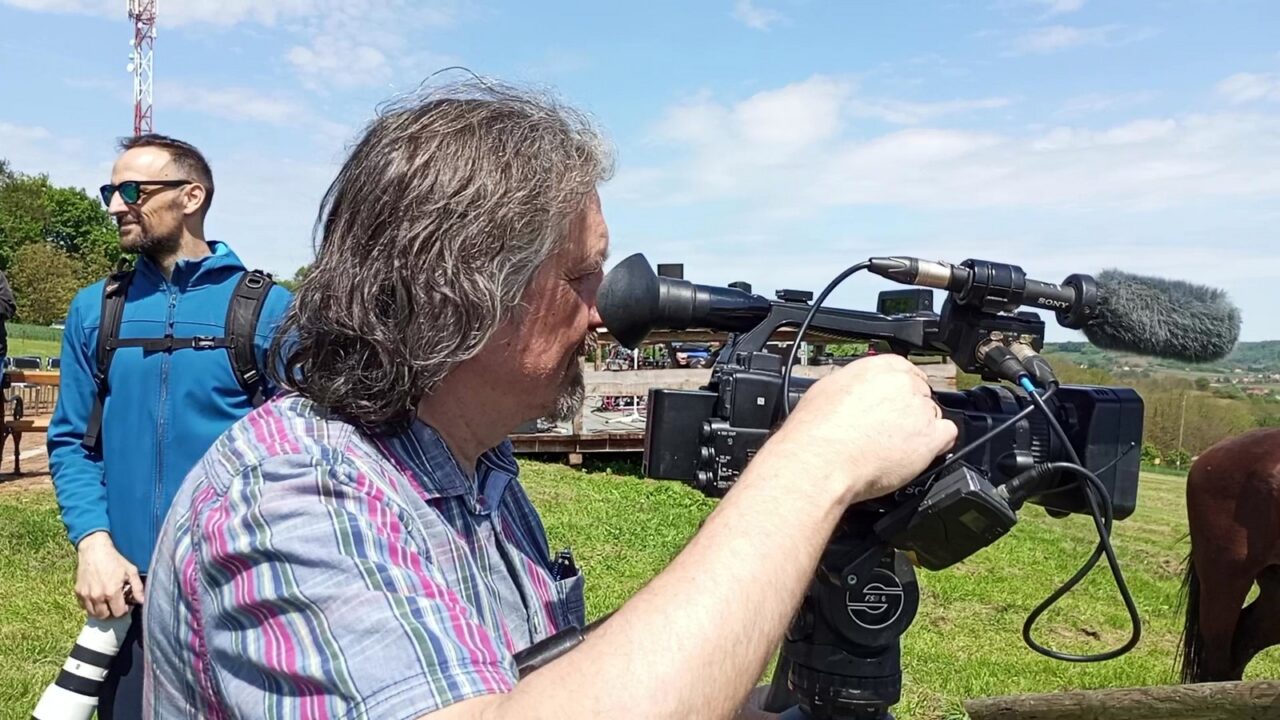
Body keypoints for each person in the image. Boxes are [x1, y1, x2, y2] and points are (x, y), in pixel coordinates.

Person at [143, 79, 957, 719]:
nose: (604, 312)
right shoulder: (295, 495)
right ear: (461, 294)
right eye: (579, 277)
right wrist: (813, 465)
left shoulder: (471, 462)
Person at [46, 133, 293, 718]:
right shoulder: (96, 310)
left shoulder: (269, 310)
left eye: (133, 190)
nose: (115, 205)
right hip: (129, 590)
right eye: (110, 191)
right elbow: (72, 442)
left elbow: (306, 450)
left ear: (191, 196)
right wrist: (93, 542)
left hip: (240, 595)